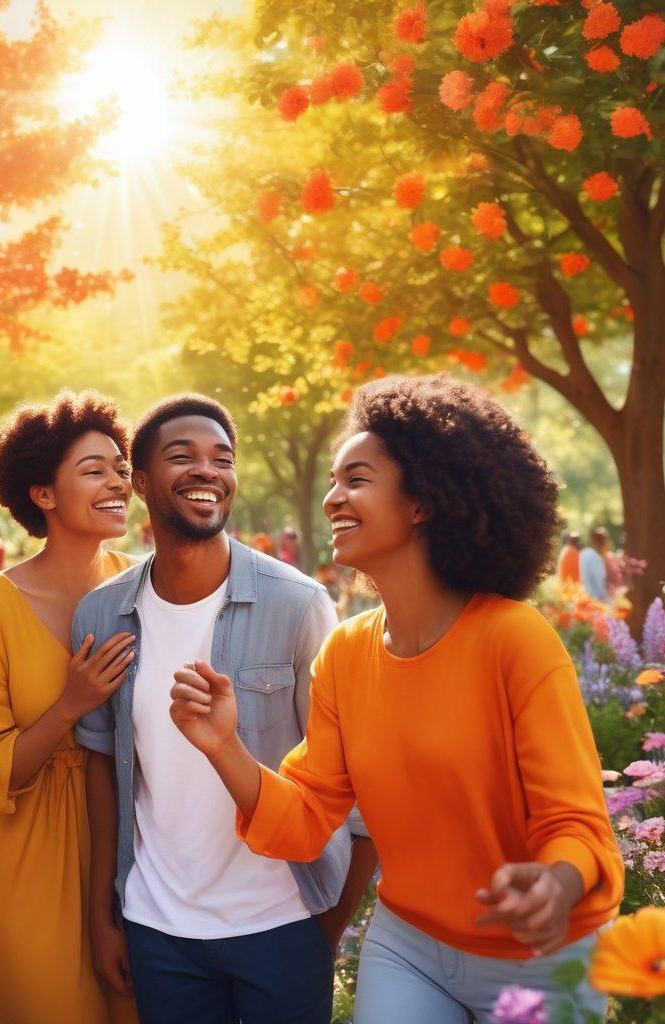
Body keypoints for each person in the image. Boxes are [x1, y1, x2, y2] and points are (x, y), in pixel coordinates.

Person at [170, 376, 623, 1024]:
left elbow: (575, 822)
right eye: (332, 481)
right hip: (409, 943)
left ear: (423, 503)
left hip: (541, 951)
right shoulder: (346, 652)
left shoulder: (515, 640)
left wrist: (556, 882)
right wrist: (223, 747)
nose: (332, 498)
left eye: (356, 479)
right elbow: (306, 817)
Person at [75, 394, 377, 1024]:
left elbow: (354, 776)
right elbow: (103, 772)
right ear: (140, 482)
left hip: (283, 918)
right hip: (158, 924)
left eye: (222, 458)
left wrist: (329, 923)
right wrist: (105, 913)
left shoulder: (298, 605)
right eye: (182, 456)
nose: (207, 470)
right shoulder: (101, 614)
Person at [0, 391, 139, 1024]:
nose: (117, 482)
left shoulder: (147, 585)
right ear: (43, 494)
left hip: (137, 855)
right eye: (94, 470)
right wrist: (69, 706)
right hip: (29, 862)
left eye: (120, 468)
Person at [580, 527, 610, 602]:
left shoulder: (583, 553)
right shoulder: (596, 557)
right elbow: (600, 581)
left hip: (581, 596)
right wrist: (607, 600)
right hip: (594, 600)